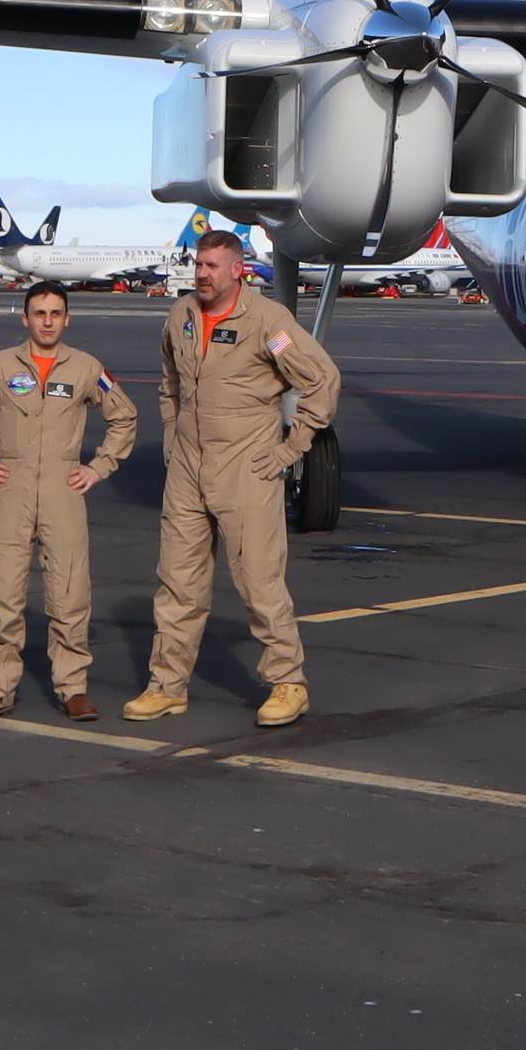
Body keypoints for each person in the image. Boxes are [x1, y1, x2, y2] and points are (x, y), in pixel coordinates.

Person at [127, 228, 339, 727]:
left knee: (259, 582)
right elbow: (170, 381)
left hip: (246, 469)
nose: (201, 274)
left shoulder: (269, 322)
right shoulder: (180, 315)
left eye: (212, 266)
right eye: (199, 265)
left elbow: (321, 379)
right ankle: (168, 685)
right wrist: (171, 435)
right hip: (187, 470)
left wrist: (293, 447)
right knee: (177, 582)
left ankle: (289, 682)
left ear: (237, 270)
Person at [0, 280, 139, 721]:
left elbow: (124, 417)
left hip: (63, 490)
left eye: (55, 313)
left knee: (70, 593)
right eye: (39, 313)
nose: (47, 322)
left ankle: (73, 687)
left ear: (67, 319)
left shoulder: (88, 368)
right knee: (4, 594)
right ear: (25, 318)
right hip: (10, 488)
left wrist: (99, 466)